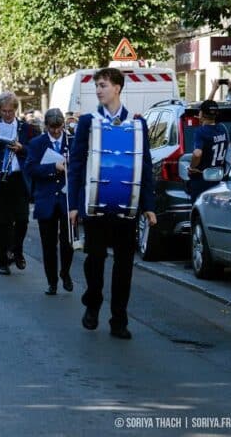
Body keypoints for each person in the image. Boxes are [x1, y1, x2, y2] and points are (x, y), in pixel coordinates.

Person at [68, 67, 156, 340]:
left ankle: (119, 319)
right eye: (97, 85)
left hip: (126, 208)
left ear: (117, 87)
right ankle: (93, 303)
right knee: (94, 260)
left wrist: (148, 205)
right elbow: (76, 164)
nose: (98, 90)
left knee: (124, 266)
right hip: (95, 206)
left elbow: (145, 166)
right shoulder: (88, 122)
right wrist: (73, 205)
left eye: (103, 85)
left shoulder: (137, 123)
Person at [0, 93, 38, 274]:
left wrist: (22, 148)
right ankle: (3, 261)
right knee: (2, 222)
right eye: (4, 111)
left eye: (10, 111)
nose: (7, 114)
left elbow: (36, 151)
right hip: (0, 180)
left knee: (22, 219)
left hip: (18, 178)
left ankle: (17, 250)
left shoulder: (26, 128)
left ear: (16, 110)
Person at [24, 108, 74, 295]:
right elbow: (30, 168)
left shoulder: (72, 141)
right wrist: (53, 167)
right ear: (46, 126)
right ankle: (52, 281)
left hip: (66, 199)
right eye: (52, 128)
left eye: (59, 127)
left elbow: (81, 166)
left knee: (68, 242)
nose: (56, 131)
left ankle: (65, 272)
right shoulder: (37, 143)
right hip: (46, 199)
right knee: (48, 244)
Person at [187, 100, 230, 203]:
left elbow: (197, 153)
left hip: (202, 178)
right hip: (219, 177)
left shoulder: (201, 131)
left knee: (199, 208)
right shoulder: (222, 128)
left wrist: (192, 167)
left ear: (202, 113)